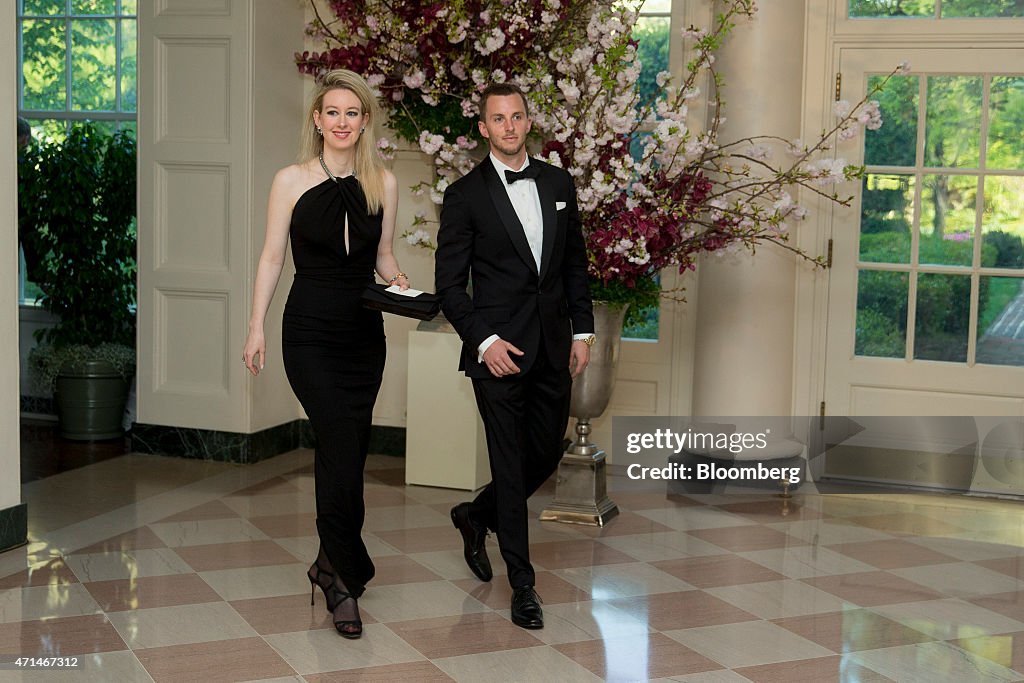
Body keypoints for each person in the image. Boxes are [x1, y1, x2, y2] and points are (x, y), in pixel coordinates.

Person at [242, 69, 408, 639]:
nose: (341, 122)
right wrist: (255, 327)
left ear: (365, 123)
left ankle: (327, 563)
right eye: (332, 112)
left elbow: (383, 257)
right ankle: (344, 582)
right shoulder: (289, 180)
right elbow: (270, 258)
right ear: (317, 120)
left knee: (350, 451)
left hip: (364, 333)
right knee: (338, 439)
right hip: (308, 331)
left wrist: (403, 285)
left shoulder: (383, 182)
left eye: (352, 113)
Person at [434, 82, 595, 630]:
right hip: (497, 354)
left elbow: (575, 263)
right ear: (483, 128)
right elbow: (450, 287)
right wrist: (483, 341)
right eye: (497, 118)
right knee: (507, 463)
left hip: (552, 346)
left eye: (516, 116)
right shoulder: (464, 195)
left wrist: (584, 332)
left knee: (544, 457)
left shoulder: (557, 182)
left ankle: (474, 515)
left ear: (528, 122)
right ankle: (522, 586)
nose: (508, 126)